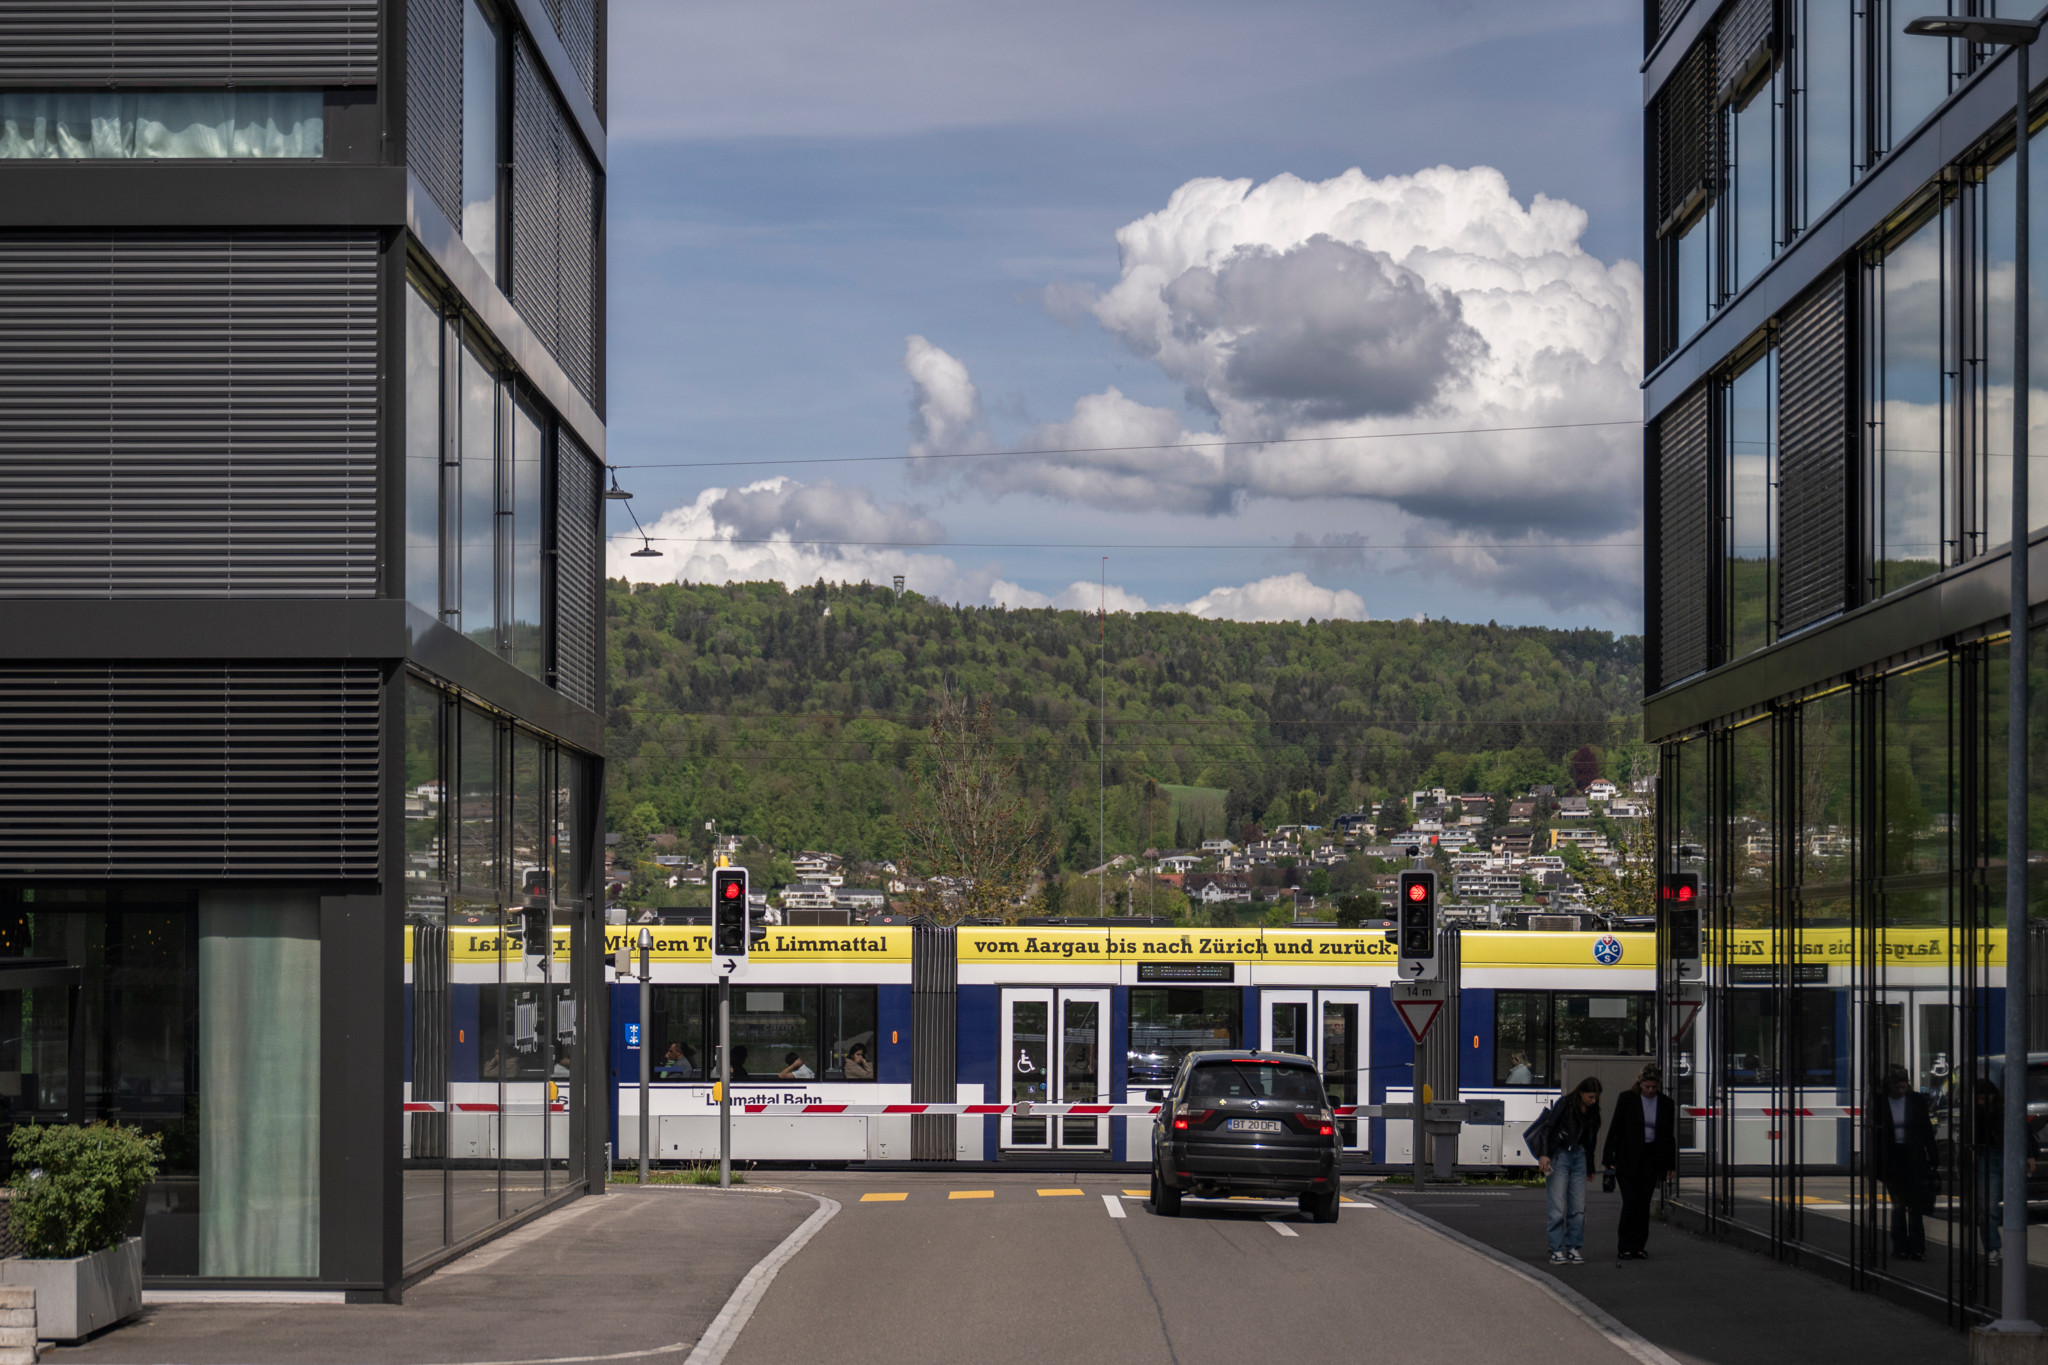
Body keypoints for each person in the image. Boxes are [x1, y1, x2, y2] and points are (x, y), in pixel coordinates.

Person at [1602, 1062, 1678, 1261]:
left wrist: (1670, 1163)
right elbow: (1615, 1128)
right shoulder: (1627, 1099)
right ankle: (1625, 1245)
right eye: (1647, 1087)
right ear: (1640, 1084)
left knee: (1643, 1204)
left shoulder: (1666, 1103)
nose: (1651, 1090)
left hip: (1651, 1157)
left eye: (1654, 1087)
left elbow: (1669, 1135)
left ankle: (1639, 1246)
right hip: (1628, 1157)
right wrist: (1608, 1158)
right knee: (1630, 1202)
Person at [1528, 1076, 1603, 1265]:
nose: (1593, 1101)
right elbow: (1549, 1128)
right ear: (1581, 1093)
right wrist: (1545, 1155)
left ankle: (1572, 1247)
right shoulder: (1565, 1104)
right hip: (1560, 1155)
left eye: (1595, 1098)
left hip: (1579, 1155)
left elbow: (1590, 1140)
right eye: (1590, 1097)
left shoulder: (1591, 1110)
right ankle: (1557, 1248)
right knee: (1558, 1207)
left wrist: (1590, 1166)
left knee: (1578, 1207)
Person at [1868, 1064, 1938, 1262]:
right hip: (1893, 1157)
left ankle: (1917, 1247)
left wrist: (1932, 1155)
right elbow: (1875, 1133)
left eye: (1903, 1086)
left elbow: (1925, 1128)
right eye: (1897, 1087)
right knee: (1898, 1205)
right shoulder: (1880, 1102)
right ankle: (1900, 1246)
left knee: (1915, 1205)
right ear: (1889, 1086)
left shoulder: (1915, 1100)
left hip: (1913, 1156)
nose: (1900, 1091)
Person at [1969, 1077, 2038, 1267]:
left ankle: (1997, 1248)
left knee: (1999, 1207)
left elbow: (2023, 1130)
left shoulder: (2003, 1109)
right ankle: (1993, 1247)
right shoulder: (1979, 1113)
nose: (1981, 1102)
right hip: (1993, 1155)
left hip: (2002, 1154)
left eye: (1984, 1098)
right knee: (1988, 1208)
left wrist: (2029, 1155)